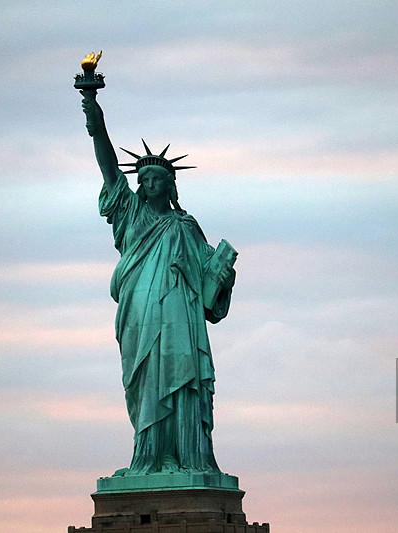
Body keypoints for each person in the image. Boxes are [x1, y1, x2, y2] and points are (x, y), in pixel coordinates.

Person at [81, 90, 236, 475]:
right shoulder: (130, 214)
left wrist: (224, 273)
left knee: (183, 380)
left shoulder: (185, 226)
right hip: (141, 311)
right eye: (144, 178)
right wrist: (93, 113)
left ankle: (188, 457)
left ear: (170, 185)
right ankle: (149, 457)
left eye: (156, 179)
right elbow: (108, 166)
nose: (148, 183)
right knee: (146, 379)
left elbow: (206, 288)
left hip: (181, 316)